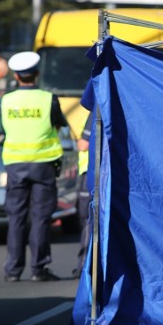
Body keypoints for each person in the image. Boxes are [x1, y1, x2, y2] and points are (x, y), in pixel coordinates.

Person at [0, 51, 67, 282]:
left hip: (15, 165)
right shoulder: (49, 99)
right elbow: (60, 125)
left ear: (17, 76)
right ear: (37, 74)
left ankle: (13, 270)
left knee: (16, 218)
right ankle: (39, 269)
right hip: (43, 166)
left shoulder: (6, 100)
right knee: (40, 217)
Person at [73, 111, 93, 277]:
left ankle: (84, 266)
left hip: (91, 174)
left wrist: (78, 140)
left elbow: (83, 145)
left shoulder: (97, 110)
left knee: (88, 220)